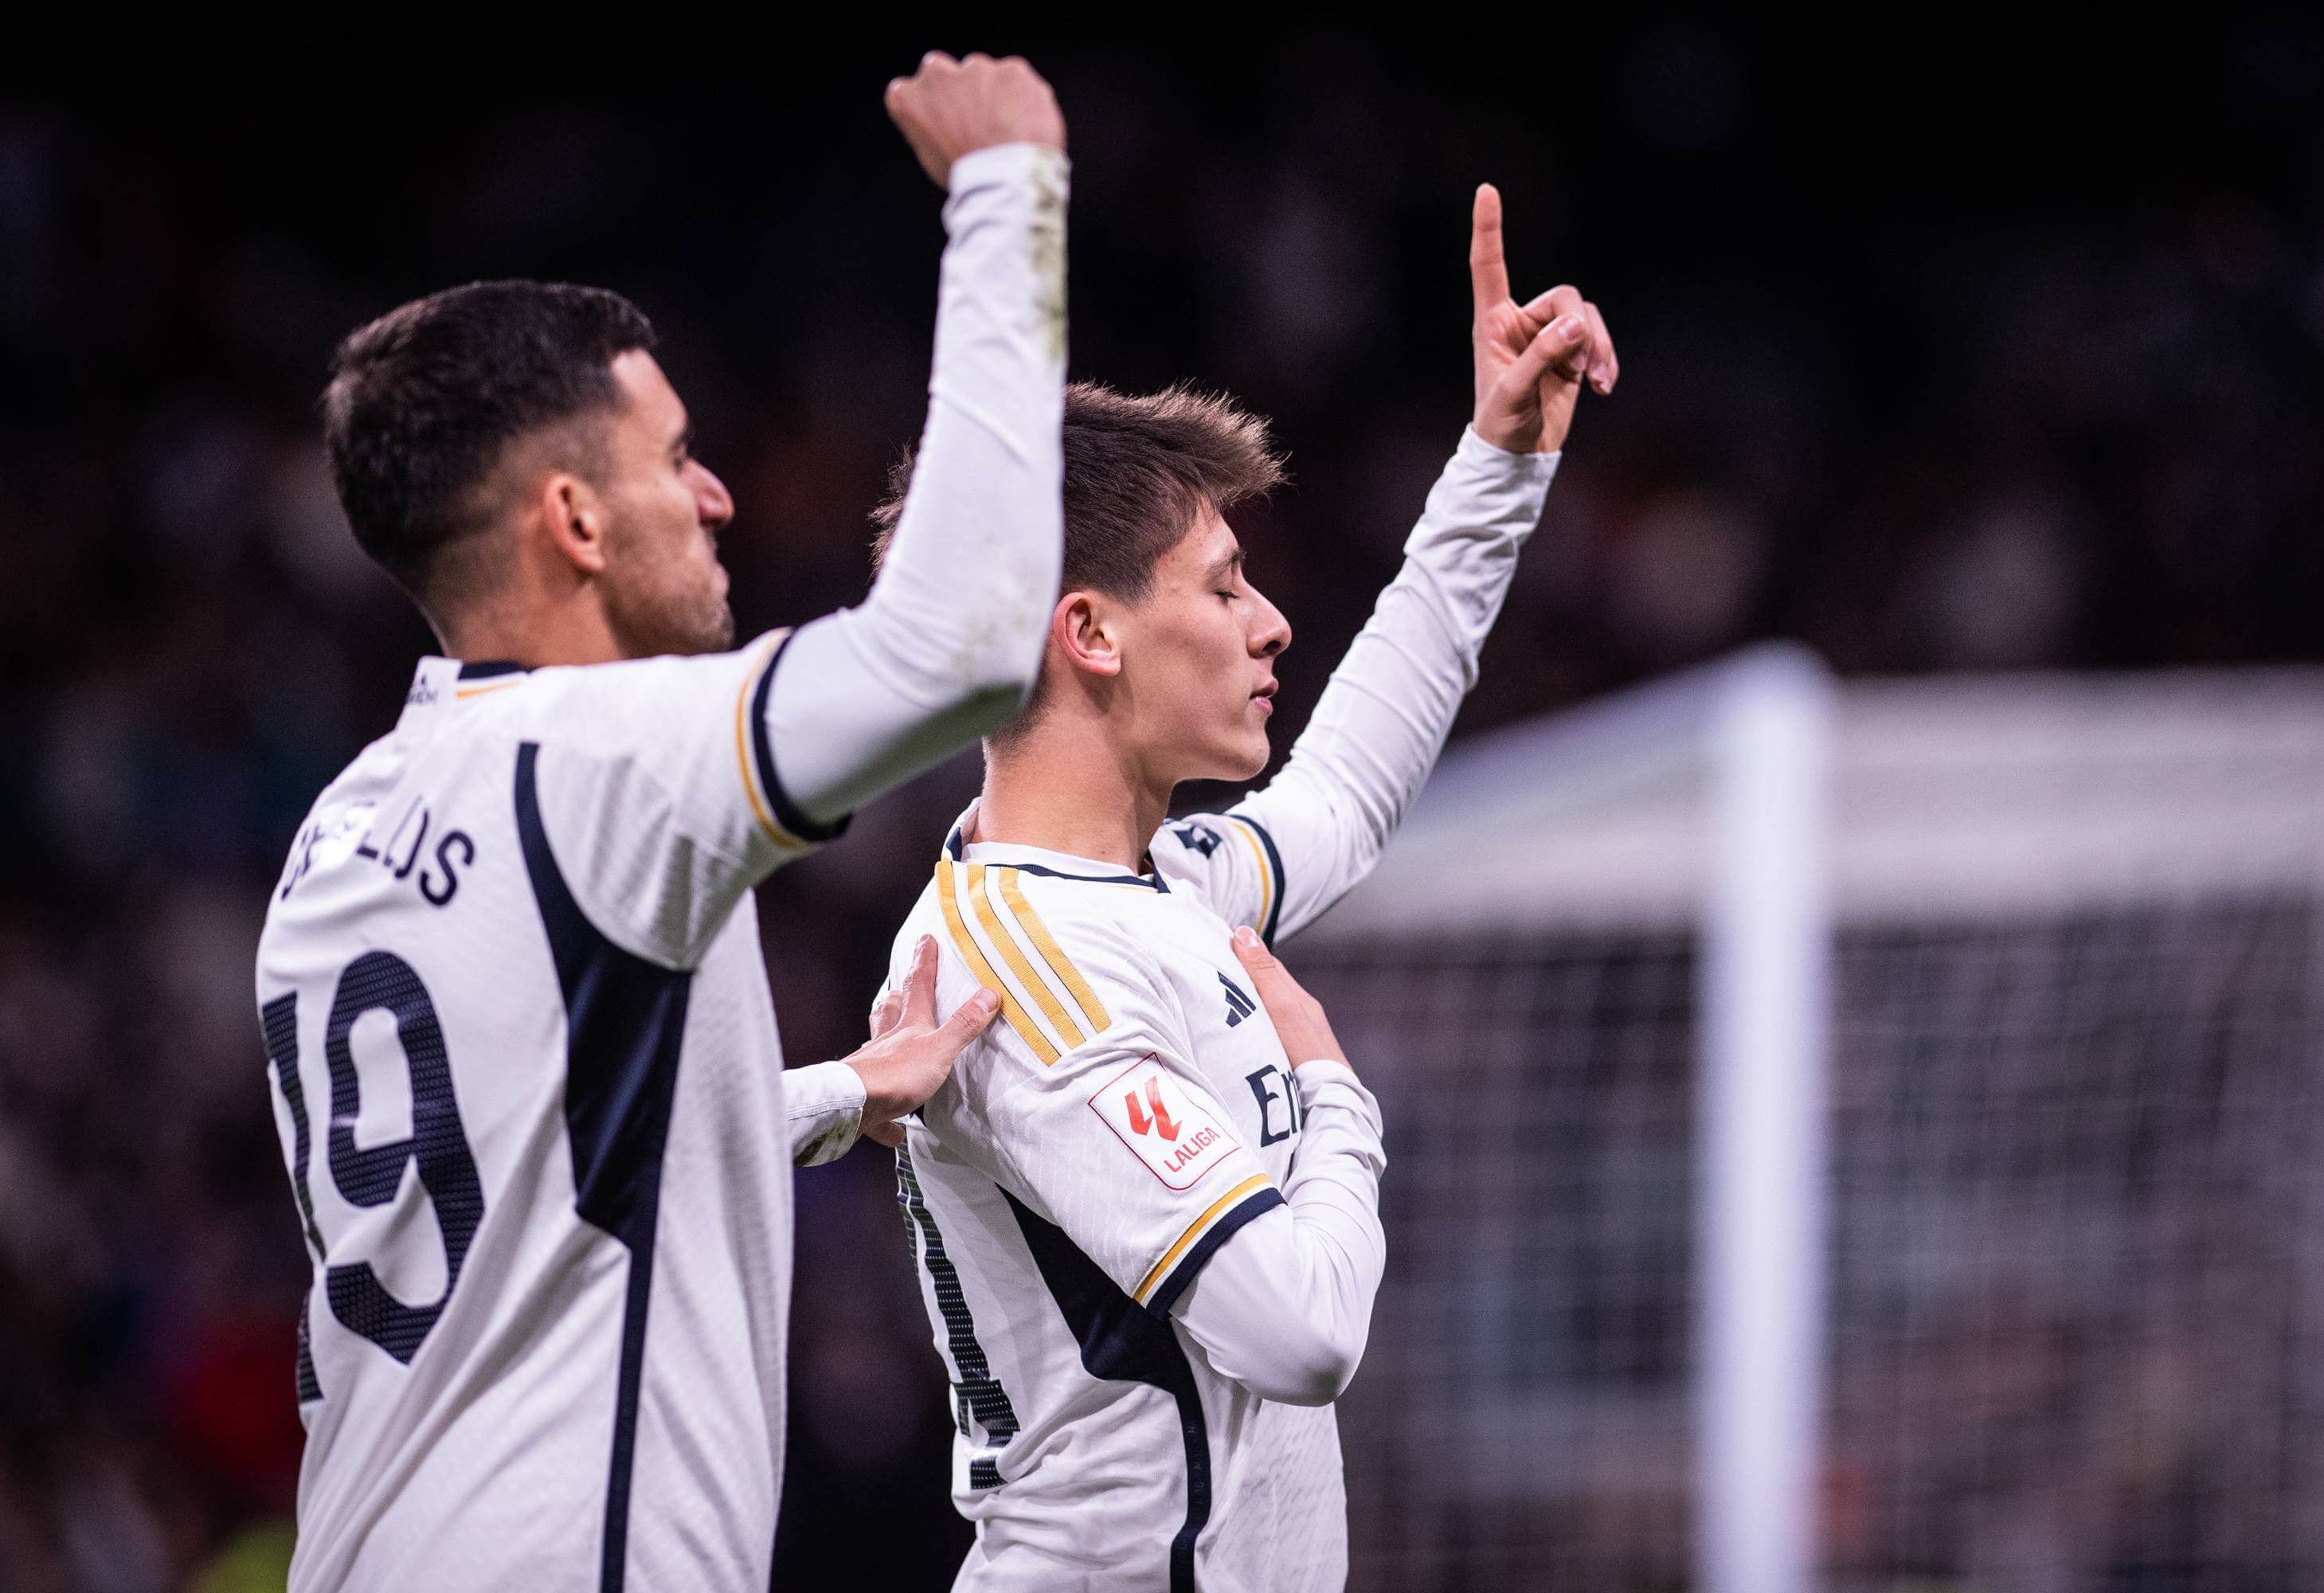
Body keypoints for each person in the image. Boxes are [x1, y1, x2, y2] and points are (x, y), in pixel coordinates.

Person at [255, 52, 1070, 1592]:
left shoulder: (343, 830)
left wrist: (840, 1091)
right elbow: (962, 645)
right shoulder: (607, 758)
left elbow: (527, 1183)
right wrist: (1007, 192)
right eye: (677, 458)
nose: (720, 499)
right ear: (571, 520)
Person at [875, 185, 1615, 1591]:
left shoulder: (1159, 887)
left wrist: (1497, 466)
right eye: (1221, 588)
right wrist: (1334, 1086)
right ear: (1086, 632)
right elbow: (1300, 1332)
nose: (1271, 620)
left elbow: (1344, 790)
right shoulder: (1025, 967)